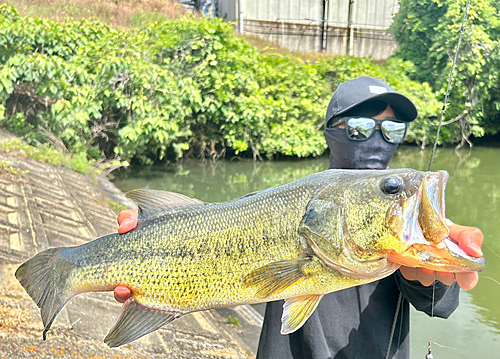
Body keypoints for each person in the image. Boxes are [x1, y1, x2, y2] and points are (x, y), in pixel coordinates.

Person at [114, 77, 484, 359]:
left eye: (391, 130)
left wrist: (435, 273)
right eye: (360, 128)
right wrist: (159, 234)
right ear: (332, 133)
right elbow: (224, 247)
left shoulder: (403, 215)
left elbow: (438, 303)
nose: (378, 139)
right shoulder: (283, 202)